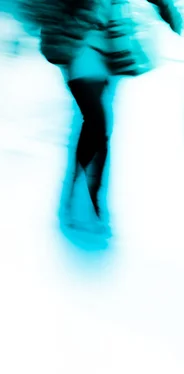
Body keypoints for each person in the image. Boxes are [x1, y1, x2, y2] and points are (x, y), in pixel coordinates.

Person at [26, 0, 182, 233]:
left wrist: (169, 13)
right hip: (76, 40)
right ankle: (82, 199)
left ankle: (89, 200)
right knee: (96, 121)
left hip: (112, 44)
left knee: (98, 127)